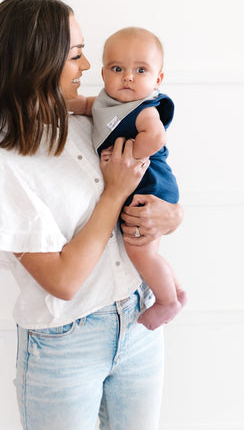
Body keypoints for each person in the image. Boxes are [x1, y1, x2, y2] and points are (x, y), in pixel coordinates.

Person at [0, 0, 183, 430]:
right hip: (66, 344)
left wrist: (171, 215)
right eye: (75, 54)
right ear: (39, 61)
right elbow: (63, 280)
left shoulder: (87, 124)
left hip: (137, 318)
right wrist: (114, 193)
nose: (89, 65)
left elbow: (149, 188)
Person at [69, 27, 187, 330]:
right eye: (117, 68)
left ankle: (166, 301)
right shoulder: (108, 102)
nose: (128, 77)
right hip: (141, 182)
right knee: (147, 247)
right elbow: (86, 106)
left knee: (140, 249)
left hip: (151, 181)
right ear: (104, 71)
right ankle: (176, 289)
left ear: (157, 80)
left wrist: (130, 154)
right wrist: (67, 104)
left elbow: (156, 137)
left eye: (141, 70)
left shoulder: (145, 110)